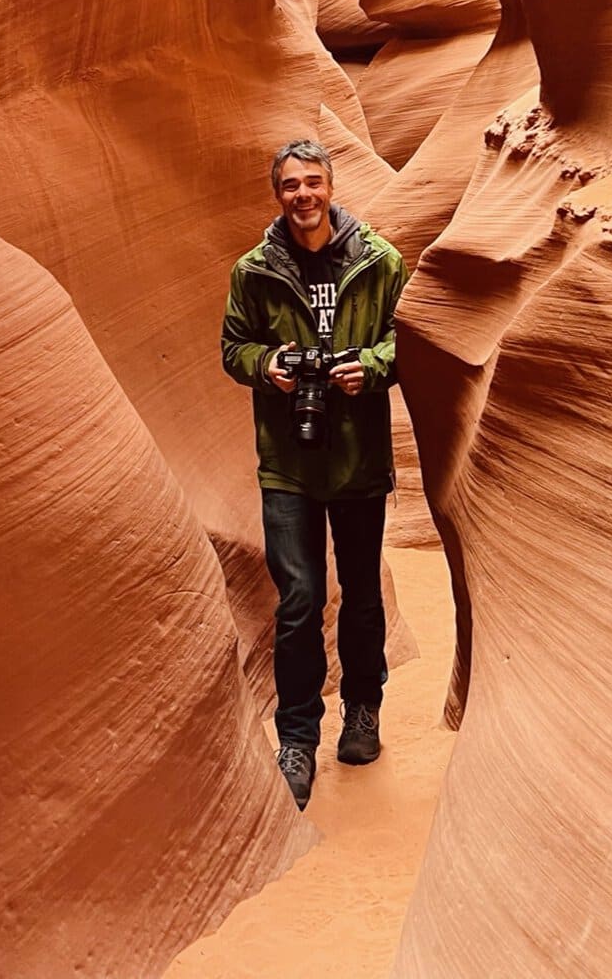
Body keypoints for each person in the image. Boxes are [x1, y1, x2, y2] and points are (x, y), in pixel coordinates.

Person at [221, 139, 408, 810]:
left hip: (358, 456)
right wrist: (266, 364)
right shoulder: (255, 271)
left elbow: (408, 334)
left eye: (312, 183)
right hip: (288, 464)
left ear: (330, 186)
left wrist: (375, 367)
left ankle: (363, 713)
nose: (302, 196)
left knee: (359, 594)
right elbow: (232, 345)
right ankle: (296, 738)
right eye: (289, 186)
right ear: (277, 195)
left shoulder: (379, 261)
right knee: (299, 603)